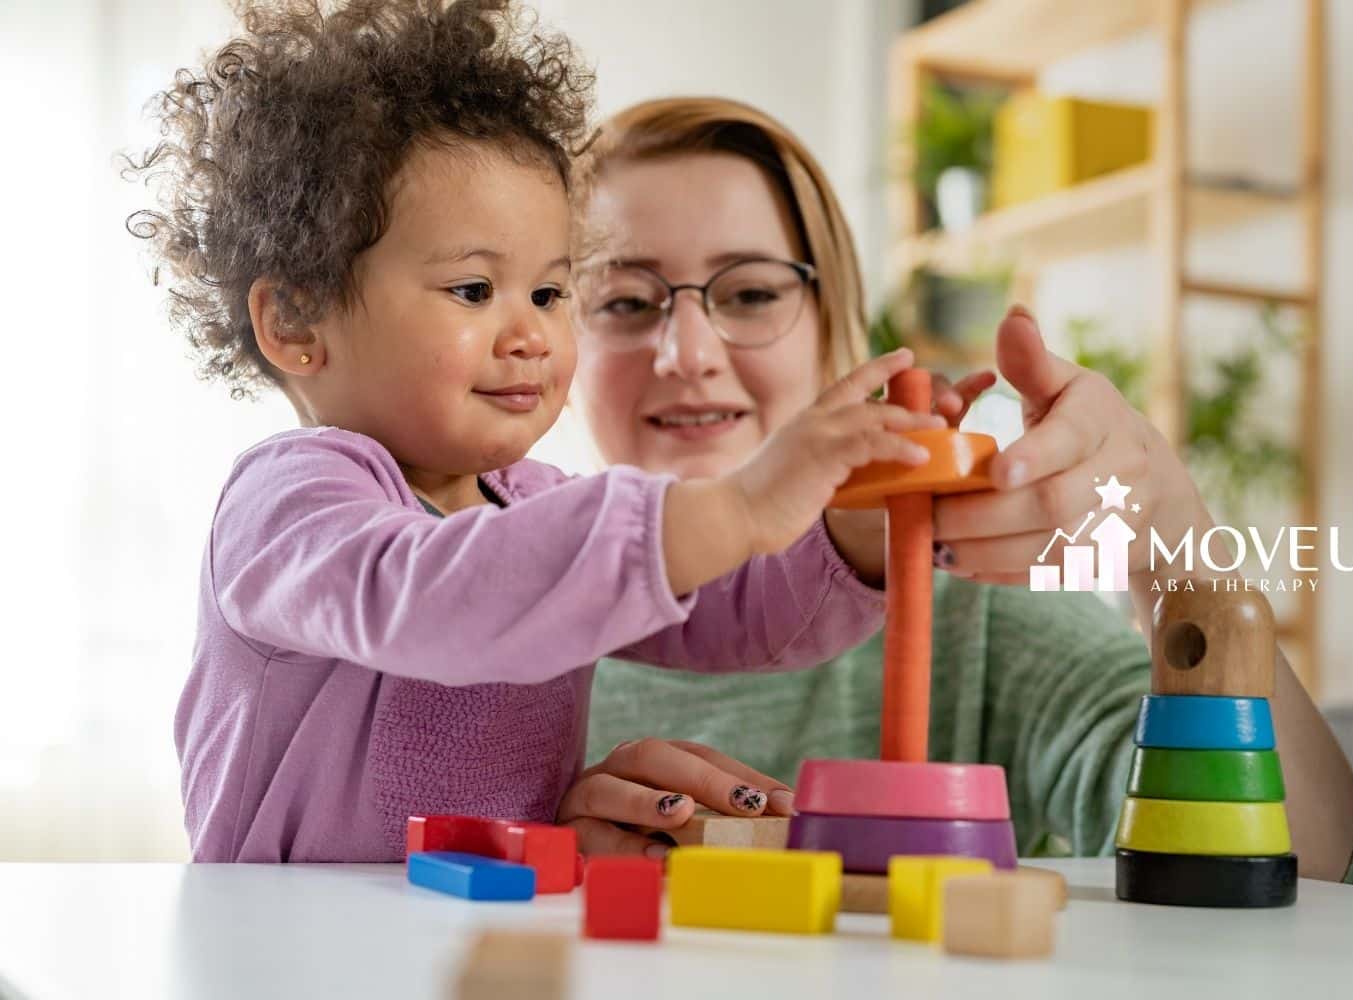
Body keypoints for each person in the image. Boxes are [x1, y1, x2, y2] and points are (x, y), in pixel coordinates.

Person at [131, 1, 939, 862]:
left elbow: (737, 610)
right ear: (296, 321)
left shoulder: (540, 508)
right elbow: (439, 594)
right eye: (475, 291)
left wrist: (855, 534)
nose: (531, 335)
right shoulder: (288, 502)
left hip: (488, 938)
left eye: (551, 295)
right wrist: (735, 506)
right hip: (291, 950)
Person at [574, 97, 1353, 886]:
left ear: (834, 325)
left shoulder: (969, 604)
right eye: (624, 300)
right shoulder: (480, 606)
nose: (687, 352)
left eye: (751, 293)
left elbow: (1314, 892)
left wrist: (1173, 546)